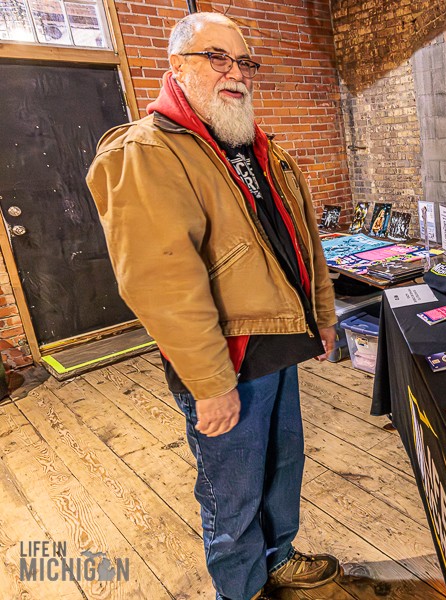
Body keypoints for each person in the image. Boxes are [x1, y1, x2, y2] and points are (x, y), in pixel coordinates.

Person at [86, 13, 340, 600]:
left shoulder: (255, 146)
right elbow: (162, 282)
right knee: (233, 488)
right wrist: (209, 382)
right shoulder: (148, 151)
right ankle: (240, 588)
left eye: (243, 61)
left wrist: (322, 317)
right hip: (226, 355)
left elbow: (303, 241)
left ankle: (277, 558)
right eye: (217, 57)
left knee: (283, 465)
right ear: (177, 66)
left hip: (279, 340)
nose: (236, 73)